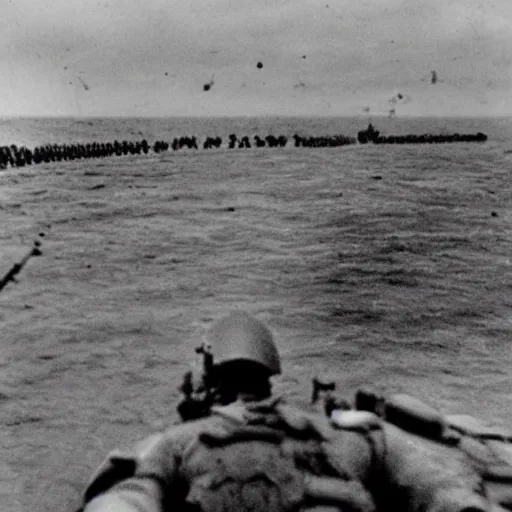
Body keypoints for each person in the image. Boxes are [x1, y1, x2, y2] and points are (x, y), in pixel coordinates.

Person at [79, 311, 511, 512]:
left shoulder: (176, 444)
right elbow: (437, 487)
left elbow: (130, 498)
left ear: (212, 377)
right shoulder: (351, 434)